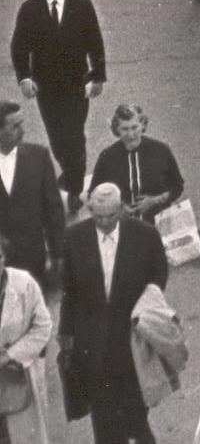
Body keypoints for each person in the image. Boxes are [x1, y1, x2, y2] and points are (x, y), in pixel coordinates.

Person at [60, 183, 168, 444]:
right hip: (93, 344)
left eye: (111, 216)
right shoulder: (74, 238)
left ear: (121, 209)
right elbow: (69, 290)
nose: (104, 223)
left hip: (132, 339)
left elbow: (158, 275)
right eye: (98, 217)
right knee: (104, 420)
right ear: (89, 211)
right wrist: (65, 333)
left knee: (136, 416)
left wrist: (145, 308)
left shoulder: (144, 235)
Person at [9, 0, 106, 212]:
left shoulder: (82, 5)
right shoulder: (30, 10)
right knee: (57, 138)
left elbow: (95, 42)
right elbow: (19, 47)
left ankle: (74, 188)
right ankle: (70, 172)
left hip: (77, 84)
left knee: (74, 136)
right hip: (47, 87)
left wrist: (98, 76)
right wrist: (25, 78)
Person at [0, 230, 54, 444]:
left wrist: (10, 355)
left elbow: (43, 327)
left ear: (5, 257)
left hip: (20, 372)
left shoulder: (23, 283)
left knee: (24, 435)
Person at [0, 103, 63, 285]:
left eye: (22, 123)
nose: (23, 130)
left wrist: (58, 253)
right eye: (15, 126)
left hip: (32, 260)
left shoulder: (39, 157)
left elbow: (54, 209)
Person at [87, 105, 184, 223]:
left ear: (143, 125)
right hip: (122, 226)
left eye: (134, 127)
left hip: (159, 223)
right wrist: (118, 209)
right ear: (116, 129)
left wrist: (154, 201)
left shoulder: (161, 150)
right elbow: (93, 194)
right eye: (125, 129)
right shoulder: (107, 157)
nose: (131, 135)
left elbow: (177, 186)